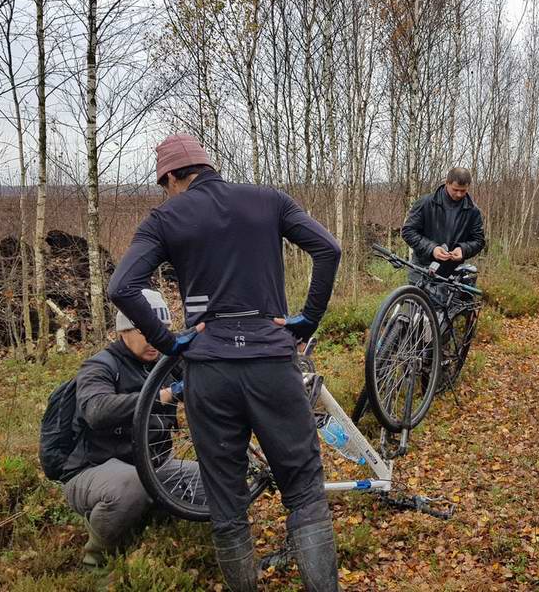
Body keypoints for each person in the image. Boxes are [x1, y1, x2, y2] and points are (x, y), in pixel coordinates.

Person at [107, 133, 342, 592]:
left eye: (165, 184)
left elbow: (122, 287)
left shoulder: (166, 216)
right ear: (208, 166)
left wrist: (170, 341)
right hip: (273, 362)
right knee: (305, 493)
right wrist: (307, 319)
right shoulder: (267, 200)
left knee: (228, 506)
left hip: (209, 370)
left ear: (172, 177)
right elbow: (328, 249)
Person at [62, 288, 201, 568]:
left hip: (156, 466)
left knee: (214, 476)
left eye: (160, 331)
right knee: (131, 485)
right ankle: (96, 558)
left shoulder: (165, 362)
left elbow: (203, 381)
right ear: (124, 331)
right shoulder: (100, 366)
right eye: (145, 330)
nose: (154, 339)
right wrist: (161, 395)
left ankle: (150, 527)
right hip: (93, 471)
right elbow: (96, 411)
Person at [401, 167, 486, 284]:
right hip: (422, 271)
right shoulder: (426, 203)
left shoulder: (473, 211)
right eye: (455, 189)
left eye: (463, 191)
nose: (459, 194)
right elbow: (408, 231)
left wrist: (463, 249)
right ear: (447, 183)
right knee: (415, 302)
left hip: (452, 276)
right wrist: (432, 249)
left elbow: (479, 241)